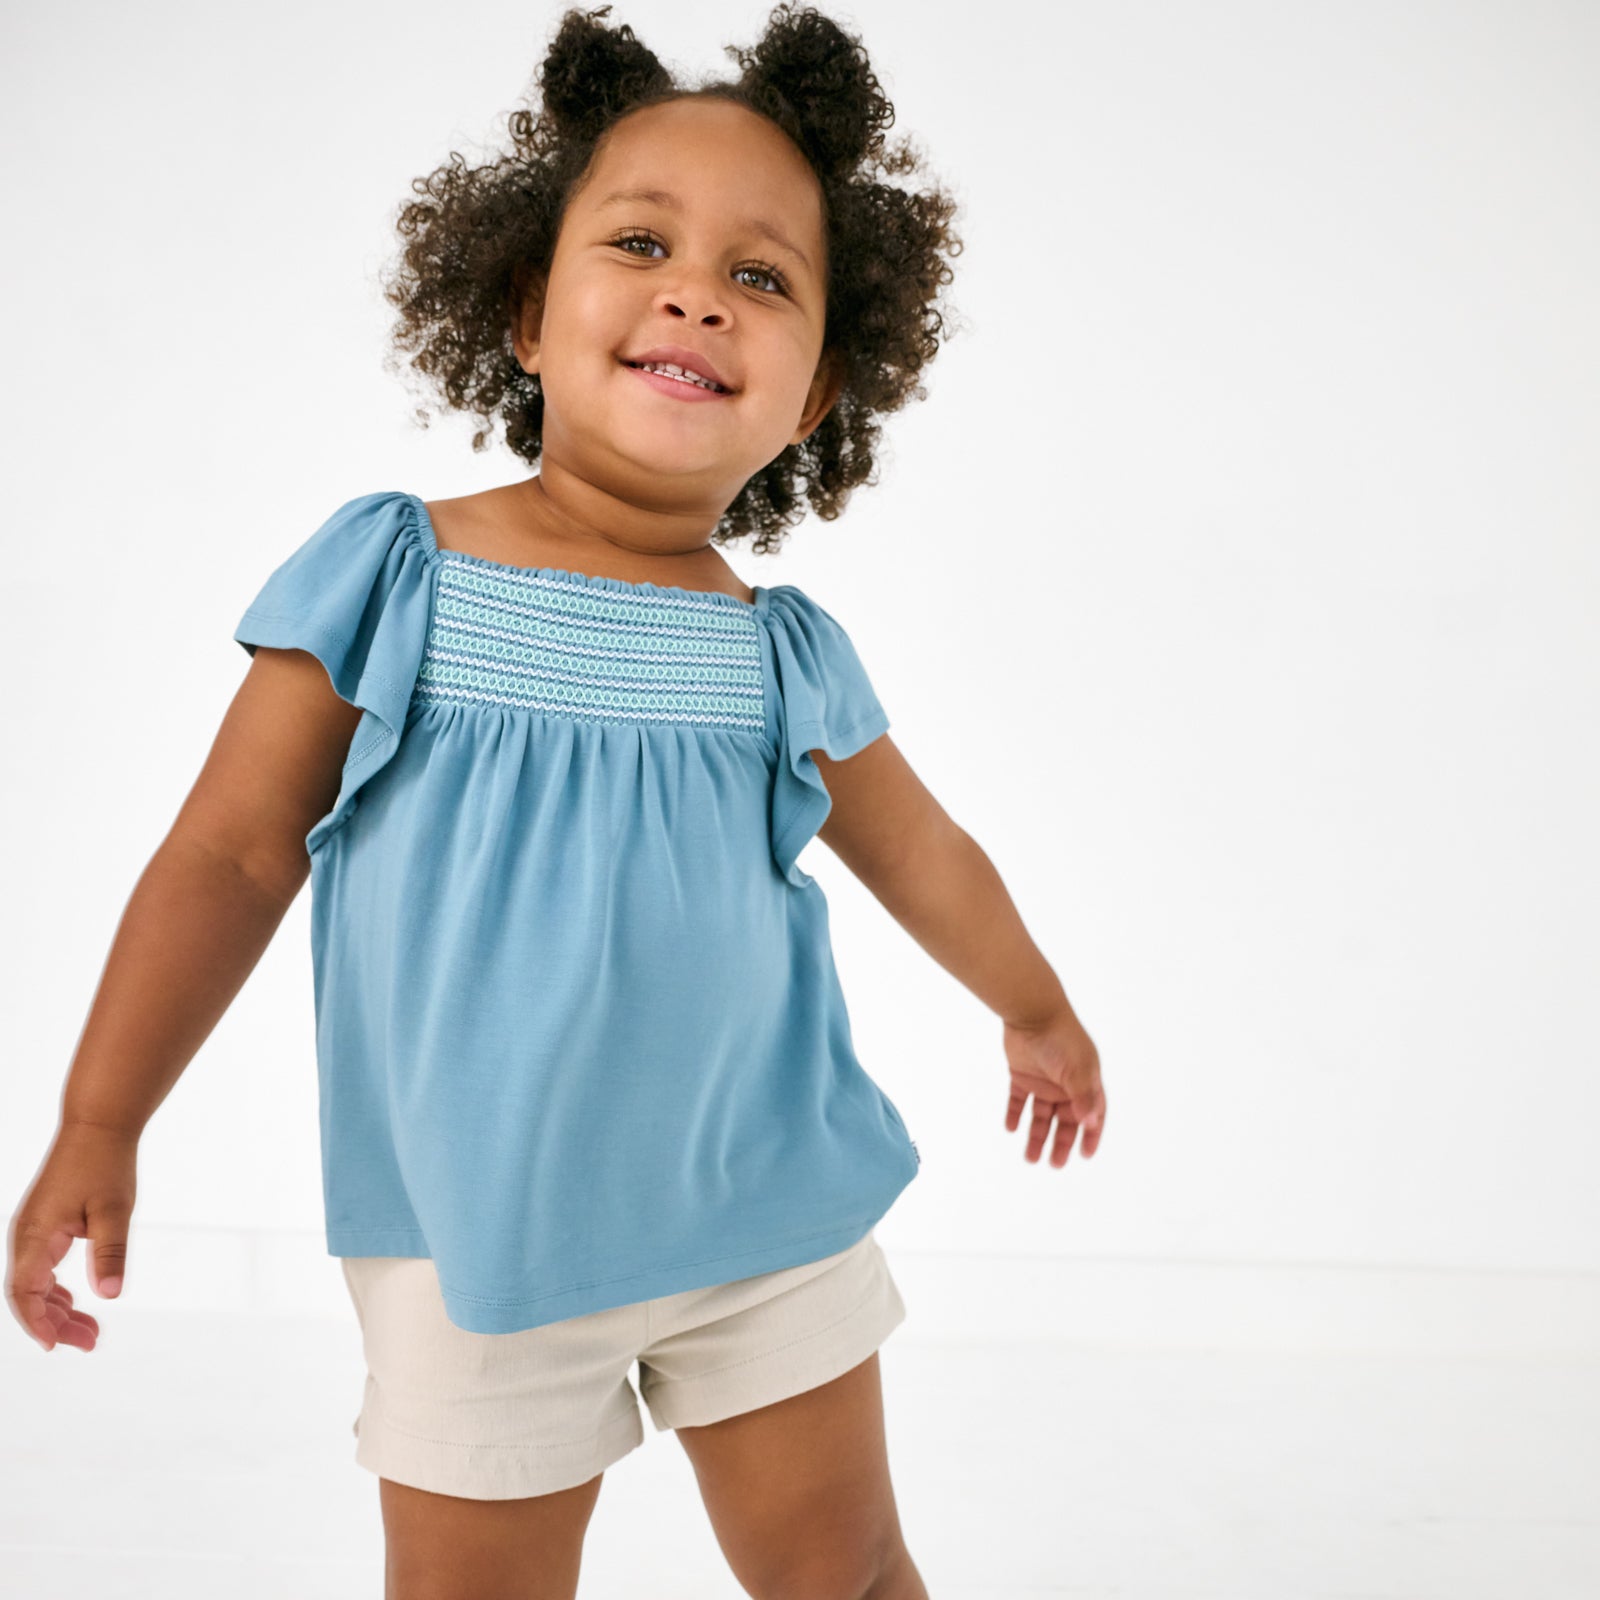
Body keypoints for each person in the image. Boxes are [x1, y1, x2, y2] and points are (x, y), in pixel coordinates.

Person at [7, 4, 1106, 1594]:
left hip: (763, 1205)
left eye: (761, 277)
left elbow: (920, 847)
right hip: (477, 1239)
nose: (696, 293)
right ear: (525, 314)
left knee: (852, 1570)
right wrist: (102, 1116)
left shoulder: (779, 651)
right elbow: (233, 856)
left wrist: (1035, 1002)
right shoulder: (403, 576)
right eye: (643, 239)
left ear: (811, 401)